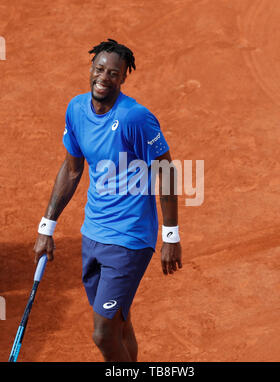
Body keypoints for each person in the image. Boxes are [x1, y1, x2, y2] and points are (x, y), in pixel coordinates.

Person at [33, 38, 182, 362]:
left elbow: (166, 172)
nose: (104, 77)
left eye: (113, 73)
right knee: (117, 325)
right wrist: (47, 227)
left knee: (102, 333)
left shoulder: (135, 118)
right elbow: (72, 170)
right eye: (99, 69)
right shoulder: (76, 109)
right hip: (93, 233)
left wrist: (171, 236)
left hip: (130, 237)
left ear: (123, 78)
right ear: (91, 69)